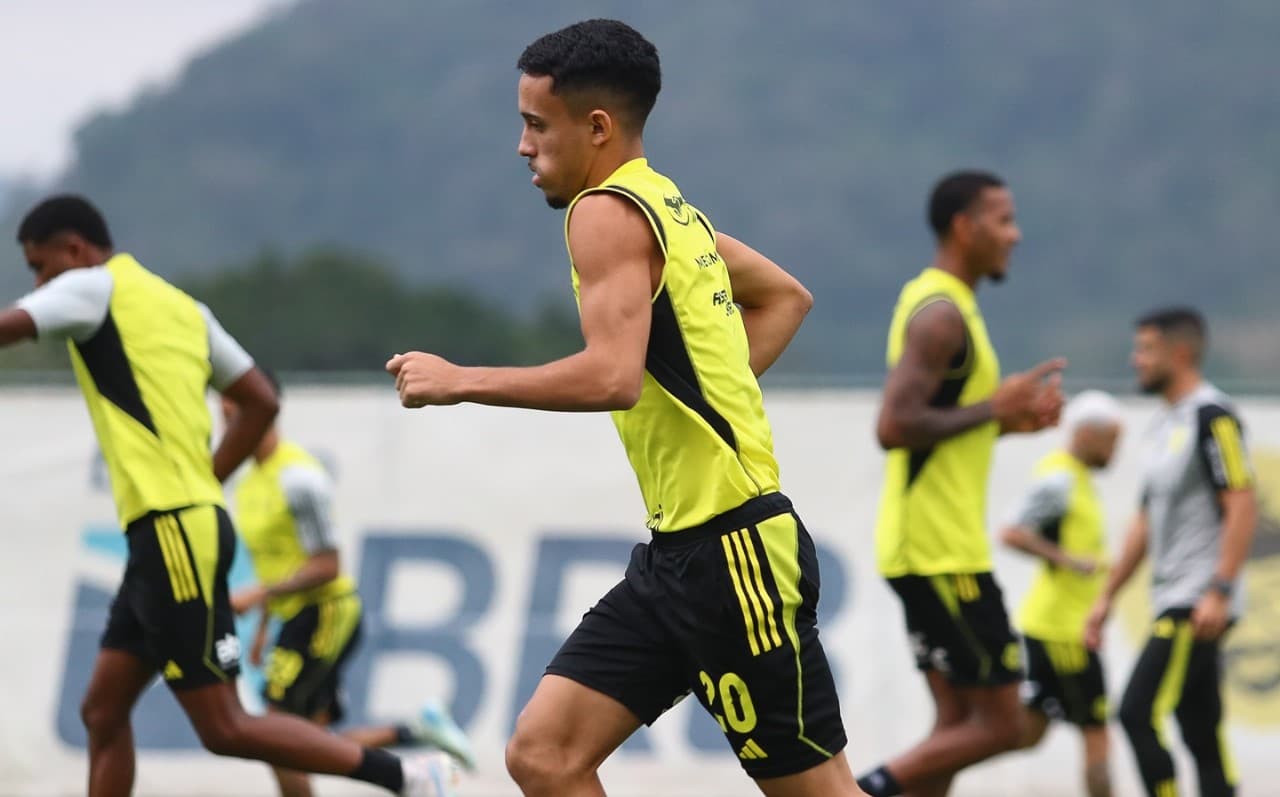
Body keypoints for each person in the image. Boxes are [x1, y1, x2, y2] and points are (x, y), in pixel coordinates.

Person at [387, 18, 864, 797]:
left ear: (598, 127)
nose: (522, 146)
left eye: (537, 125)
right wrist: (709, 390)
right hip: (680, 557)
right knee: (544, 753)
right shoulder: (670, 208)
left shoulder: (603, 212)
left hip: (733, 556)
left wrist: (460, 379)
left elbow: (613, 378)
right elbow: (786, 298)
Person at [0, 196, 456, 797]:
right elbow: (261, 398)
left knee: (225, 726)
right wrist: (204, 480)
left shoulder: (91, 287)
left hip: (172, 530)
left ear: (75, 250)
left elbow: (10, 326)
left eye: (40, 267)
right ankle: (406, 772)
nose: (39, 284)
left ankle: (408, 775)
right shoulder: (186, 309)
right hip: (174, 528)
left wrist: (189, 492)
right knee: (102, 711)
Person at [859, 171, 1066, 797]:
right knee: (1005, 724)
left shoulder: (943, 303)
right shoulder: (941, 316)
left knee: (955, 727)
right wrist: (992, 410)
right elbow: (895, 426)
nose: (1015, 235)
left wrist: (1002, 424)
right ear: (963, 227)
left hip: (927, 548)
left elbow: (936, 427)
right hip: (941, 554)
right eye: (1003, 220)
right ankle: (859, 790)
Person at [223, 370, 475, 797]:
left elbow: (328, 566)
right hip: (292, 615)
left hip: (326, 612)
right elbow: (276, 563)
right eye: (223, 417)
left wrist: (259, 595)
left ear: (263, 412)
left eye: (233, 417)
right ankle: (415, 735)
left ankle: (414, 772)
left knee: (275, 730)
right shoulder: (247, 484)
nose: (227, 430)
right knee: (306, 739)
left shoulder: (299, 477)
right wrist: (264, 625)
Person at [1085, 308, 1256, 797]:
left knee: (1136, 712)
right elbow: (1144, 522)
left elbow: (1242, 502)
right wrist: (1108, 596)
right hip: (1173, 596)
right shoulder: (1164, 425)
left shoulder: (1213, 417)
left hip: (1196, 601)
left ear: (1179, 353)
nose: (1135, 359)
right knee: (1199, 724)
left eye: (1146, 349)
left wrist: (1220, 589)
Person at [1000, 390, 1124, 797]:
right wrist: (1069, 561)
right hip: (1063, 631)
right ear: (1086, 435)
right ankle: (933, 761)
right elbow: (1012, 532)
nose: (1115, 452)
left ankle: (933, 764)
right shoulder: (1060, 479)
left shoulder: (1077, 477)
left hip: (1062, 625)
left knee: (1028, 733)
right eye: (1111, 441)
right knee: (1096, 731)